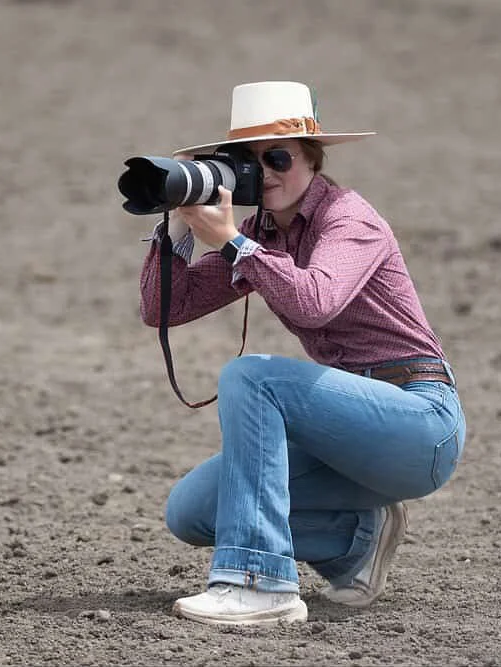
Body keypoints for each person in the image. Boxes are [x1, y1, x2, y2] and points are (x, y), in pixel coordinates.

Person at [138, 81, 466, 626]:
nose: (263, 172)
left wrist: (236, 245)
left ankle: (260, 582)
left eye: (278, 157)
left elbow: (315, 301)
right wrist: (178, 225)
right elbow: (164, 308)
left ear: (313, 158)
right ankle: (353, 541)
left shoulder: (349, 218)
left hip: (419, 422)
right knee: (192, 511)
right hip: (346, 434)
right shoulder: (260, 230)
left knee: (252, 377)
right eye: (248, 160)